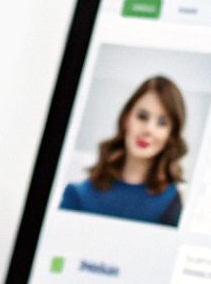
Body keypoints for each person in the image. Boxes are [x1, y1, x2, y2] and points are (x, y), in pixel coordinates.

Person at [59, 75, 188, 226]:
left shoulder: (171, 203)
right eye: (142, 116)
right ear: (126, 119)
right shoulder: (78, 195)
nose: (148, 130)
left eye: (162, 123)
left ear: (171, 135)